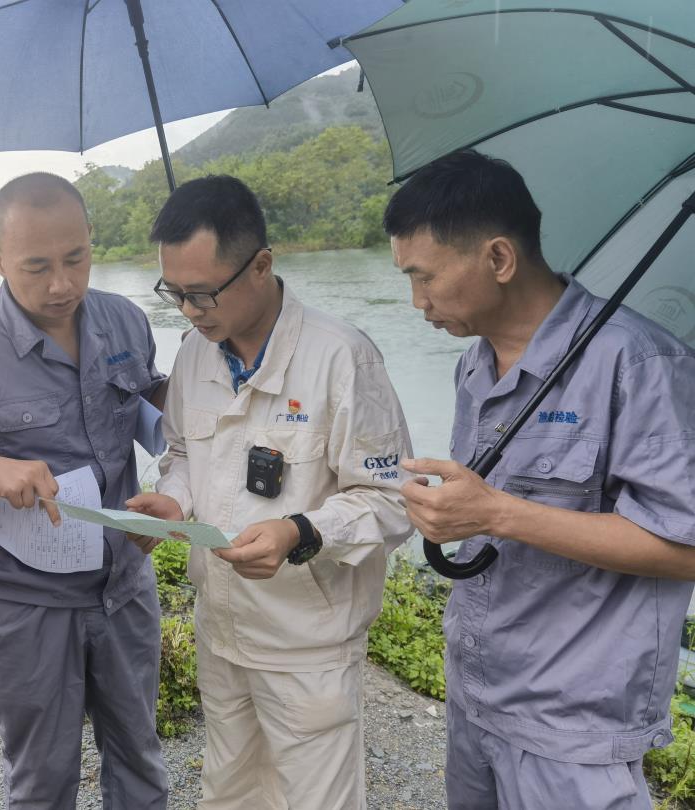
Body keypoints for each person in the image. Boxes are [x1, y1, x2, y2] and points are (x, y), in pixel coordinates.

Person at [385, 149, 695, 810]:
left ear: (499, 259)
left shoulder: (638, 364)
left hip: (573, 727)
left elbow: (685, 548)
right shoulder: (475, 365)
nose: (417, 302)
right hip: (476, 695)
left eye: (424, 277)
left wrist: (497, 513)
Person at [127, 175, 413, 810]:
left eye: (203, 294)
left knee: (314, 798)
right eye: (175, 294)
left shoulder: (342, 358)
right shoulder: (195, 355)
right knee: (230, 790)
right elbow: (181, 455)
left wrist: (300, 533)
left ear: (261, 264)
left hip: (307, 641)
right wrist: (173, 503)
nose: (190, 311)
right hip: (221, 628)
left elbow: (393, 501)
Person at [0, 172, 169, 810]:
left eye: (76, 259)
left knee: (140, 757)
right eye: (37, 267)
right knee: (42, 777)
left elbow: (153, 410)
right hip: (24, 604)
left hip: (124, 588)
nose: (62, 285)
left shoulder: (125, 321)